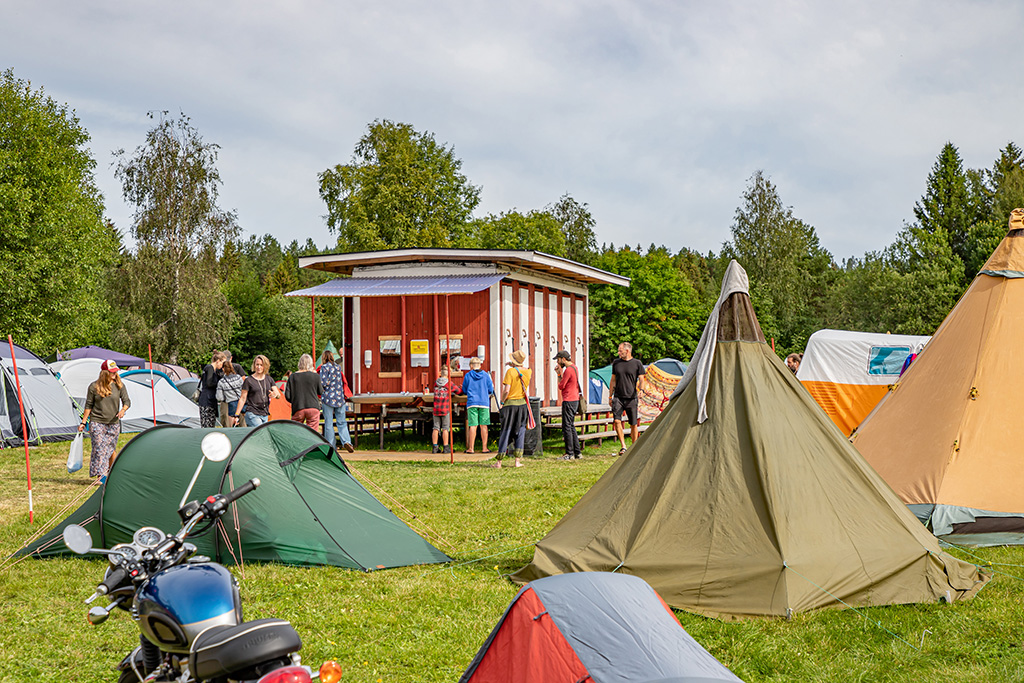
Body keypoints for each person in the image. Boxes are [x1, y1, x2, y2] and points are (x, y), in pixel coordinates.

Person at [78, 360, 131, 479]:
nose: (114, 374)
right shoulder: (94, 387)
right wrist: (83, 422)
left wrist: (123, 410)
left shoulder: (119, 386)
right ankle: (100, 476)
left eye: (115, 372)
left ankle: (112, 473)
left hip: (113, 423)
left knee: (110, 448)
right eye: (111, 372)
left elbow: (127, 401)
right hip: (97, 422)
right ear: (104, 373)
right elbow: (88, 406)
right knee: (99, 448)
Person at [494, 349, 532, 468]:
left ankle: (499, 462)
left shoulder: (510, 372)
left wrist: (502, 401)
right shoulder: (528, 372)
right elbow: (520, 371)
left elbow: (506, 390)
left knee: (506, 431)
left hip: (510, 405)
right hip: (522, 405)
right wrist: (514, 365)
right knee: (520, 431)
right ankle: (517, 461)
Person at [609, 342, 645, 456]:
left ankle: (634, 446)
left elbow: (642, 380)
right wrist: (610, 396)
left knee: (633, 424)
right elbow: (613, 379)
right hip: (618, 397)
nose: (618, 353)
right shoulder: (616, 363)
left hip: (631, 398)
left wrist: (642, 391)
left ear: (627, 351)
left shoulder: (637, 363)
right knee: (616, 421)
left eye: (620, 351)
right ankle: (623, 446)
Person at [318, 349, 354, 453]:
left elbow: (323, 383)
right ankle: (347, 441)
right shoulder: (338, 367)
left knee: (329, 423)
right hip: (340, 398)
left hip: (328, 399)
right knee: (342, 422)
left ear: (324, 358)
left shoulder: (324, 368)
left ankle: (331, 445)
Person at [235, 355, 281, 427]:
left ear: (265, 366)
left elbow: (278, 395)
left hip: (265, 413)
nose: (259, 367)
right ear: (254, 365)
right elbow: (242, 398)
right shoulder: (248, 380)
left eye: (261, 365)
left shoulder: (269, 379)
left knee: (260, 435)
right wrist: (236, 415)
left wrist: (275, 394)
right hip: (252, 413)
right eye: (257, 365)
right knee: (261, 431)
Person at [461, 356, 495, 454]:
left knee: (473, 425)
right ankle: (484, 448)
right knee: (484, 426)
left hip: (472, 402)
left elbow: (464, 390)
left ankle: (471, 448)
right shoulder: (485, 375)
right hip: (484, 402)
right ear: (480, 365)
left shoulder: (468, 375)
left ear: (471, 365)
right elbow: (491, 390)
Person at [554, 350, 582, 460]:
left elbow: (561, 386)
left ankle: (569, 453)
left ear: (563, 359)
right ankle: (577, 452)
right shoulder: (575, 367)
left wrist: (559, 374)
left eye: (558, 359)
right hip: (575, 399)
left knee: (567, 427)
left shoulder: (568, 370)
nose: (557, 362)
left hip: (568, 400)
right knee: (571, 426)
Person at [285, 354, 323, 430]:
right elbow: (320, 391)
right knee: (313, 432)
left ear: (299, 363)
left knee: (297, 431)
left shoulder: (292, 377)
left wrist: (295, 400)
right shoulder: (315, 376)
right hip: (313, 407)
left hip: (298, 407)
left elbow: (288, 396)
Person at [430, 365, 461, 454]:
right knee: (445, 428)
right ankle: (446, 446)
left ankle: (435, 447)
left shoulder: (436, 383)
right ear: (449, 374)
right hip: (445, 408)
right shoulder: (449, 383)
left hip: (436, 408)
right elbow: (458, 391)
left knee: (435, 428)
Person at [198, 351, 227, 428]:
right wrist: (219, 383)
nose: (222, 366)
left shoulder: (214, 370)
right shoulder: (209, 368)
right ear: (218, 361)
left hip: (210, 400)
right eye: (222, 363)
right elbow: (209, 383)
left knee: (211, 424)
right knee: (207, 425)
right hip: (206, 400)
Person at [218, 351, 245, 427]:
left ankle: (243, 432)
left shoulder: (237, 367)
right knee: (225, 417)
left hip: (236, 398)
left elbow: (243, 380)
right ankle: (227, 431)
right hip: (225, 399)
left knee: (240, 417)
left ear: (231, 358)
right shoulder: (219, 369)